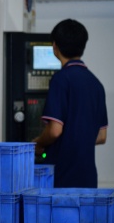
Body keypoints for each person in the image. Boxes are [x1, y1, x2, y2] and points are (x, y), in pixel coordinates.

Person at [33, 19, 108, 188]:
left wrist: (38, 143)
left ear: (55, 46)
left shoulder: (61, 79)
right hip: (88, 178)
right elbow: (101, 136)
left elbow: (54, 131)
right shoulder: (96, 84)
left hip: (62, 176)